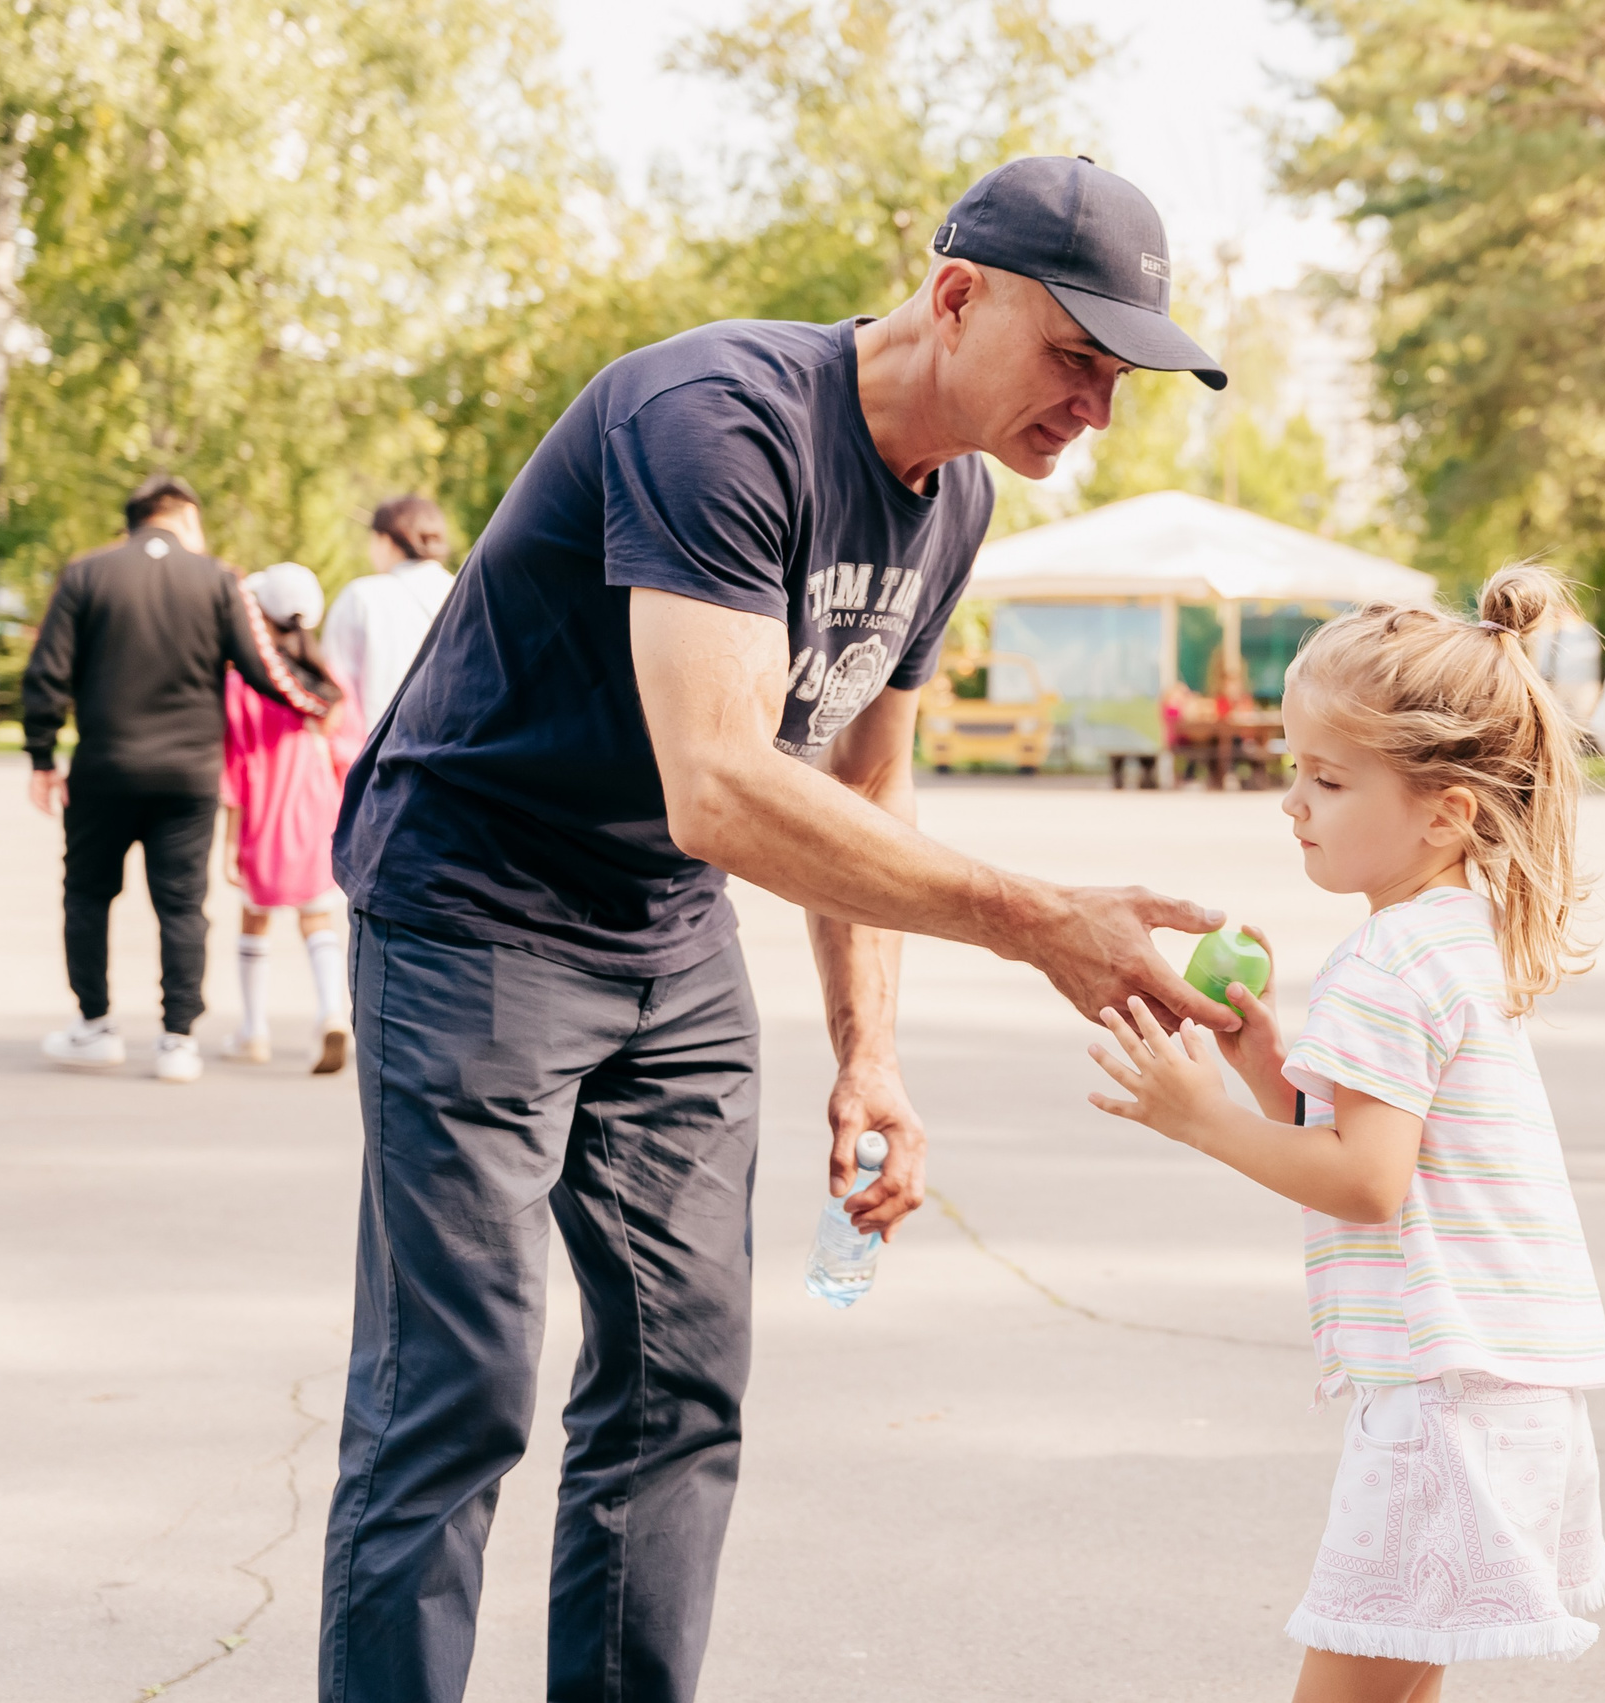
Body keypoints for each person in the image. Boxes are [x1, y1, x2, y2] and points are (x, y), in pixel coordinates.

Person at [320, 157, 1234, 1703]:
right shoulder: (718, 416)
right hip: (475, 902)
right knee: (457, 1390)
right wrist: (1034, 920)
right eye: (1078, 356)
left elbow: (870, 773)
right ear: (957, 297)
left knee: (683, 1380)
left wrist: (871, 1052)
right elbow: (726, 787)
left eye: (1123, 373)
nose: (1099, 404)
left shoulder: (960, 500)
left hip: (663, 937)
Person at [1085, 566, 1605, 1703]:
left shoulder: (1384, 960)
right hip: (1499, 1375)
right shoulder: (1450, 931)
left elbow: (1367, 1182)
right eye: (1294, 770)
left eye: (1327, 778)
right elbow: (1391, 1147)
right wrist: (1266, 1063)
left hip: (1446, 1384)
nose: (1293, 802)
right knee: (1402, 1683)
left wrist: (1204, 1119)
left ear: (1445, 810)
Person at [21, 475, 339, 1083]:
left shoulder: (87, 574)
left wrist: (41, 756)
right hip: (188, 776)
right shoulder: (219, 579)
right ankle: (177, 1040)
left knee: (88, 895)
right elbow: (262, 666)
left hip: (104, 768)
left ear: (133, 521)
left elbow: (47, 671)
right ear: (185, 516)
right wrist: (320, 700)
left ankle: (94, 1028)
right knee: (182, 904)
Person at [221, 563, 366, 1073]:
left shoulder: (245, 681)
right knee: (317, 916)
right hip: (316, 808)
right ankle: (330, 1010)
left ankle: (253, 1028)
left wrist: (228, 840)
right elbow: (350, 752)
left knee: (253, 916)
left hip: (264, 808)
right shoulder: (331, 680)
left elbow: (235, 762)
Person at [320, 493, 455, 735]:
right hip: (452, 755)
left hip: (377, 754)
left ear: (384, 540)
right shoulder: (463, 593)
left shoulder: (362, 597)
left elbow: (336, 690)